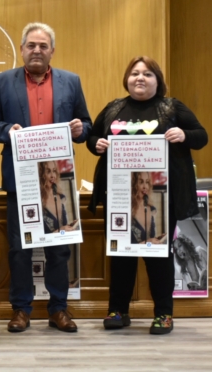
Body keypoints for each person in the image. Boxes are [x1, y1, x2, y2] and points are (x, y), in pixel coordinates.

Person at [0, 22, 92, 333]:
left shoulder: (71, 81)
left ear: (52, 51)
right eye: (31, 45)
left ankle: (59, 309)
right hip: (22, 178)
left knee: (59, 248)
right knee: (20, 249)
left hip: (58, 178)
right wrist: (8, 131)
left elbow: (86, 123)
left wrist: (80, 129)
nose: (37, 50)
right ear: (22, 49)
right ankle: (21, 310)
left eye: (43, 46)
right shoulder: (4, 81)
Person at [86, 55, 208, 334]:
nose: (140, 78)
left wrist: (183, 134)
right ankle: (118, 310)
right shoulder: (114, 108)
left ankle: (163, 313)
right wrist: (98, 143)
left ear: (158, 81)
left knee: (159, 256)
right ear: (127, 79)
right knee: (120, 255)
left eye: (148, 74)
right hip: (119, 196)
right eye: (134, 73)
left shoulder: (171, 107)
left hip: (161, 198)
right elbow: (91, 139)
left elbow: (201, 135)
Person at [38, 161, 78, 234]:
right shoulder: (37, 201)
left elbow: (62, 229)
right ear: (41, 175)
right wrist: (61, 230)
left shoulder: (62, 197)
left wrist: (70, 226)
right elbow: (38, 237)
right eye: (48, 171)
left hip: (64, 244)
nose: (52, 175)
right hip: (49, 245)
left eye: (54, 171)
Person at [130, 172, 166, 245]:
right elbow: (124, 246)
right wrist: (148, 242)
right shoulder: (127, 210)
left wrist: (157, 239)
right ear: (133, 185)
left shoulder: (152, 210)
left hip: (148, 254)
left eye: (147, 182)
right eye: (141, 182)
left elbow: (150, 239)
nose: (145, 187)